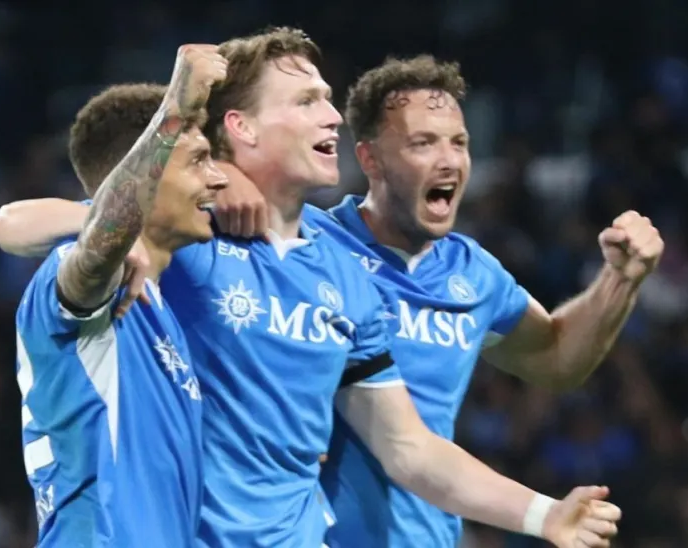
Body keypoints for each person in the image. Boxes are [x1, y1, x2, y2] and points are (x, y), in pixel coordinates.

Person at [0, 29, 622, 548]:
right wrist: (118, 227)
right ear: (239, 127)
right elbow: (15, 223)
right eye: (305, 101)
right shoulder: (189, 238)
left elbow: (408, 447)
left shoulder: (346, 273)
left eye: (327, 99)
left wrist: (544, 516)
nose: (331, 115)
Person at [220, 55, 664, 547]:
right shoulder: (312, 246)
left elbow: (557, 360)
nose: (449, 160)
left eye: (459, 143)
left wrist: (619, 282)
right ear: (369, 159)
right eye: (422, 143)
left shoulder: (473, 274)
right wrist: (226, 173)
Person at [11, 45, 228, 547]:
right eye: (197, 161)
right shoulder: (76, 278)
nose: (217, 179)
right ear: (140, 176)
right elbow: (97, 246)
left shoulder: (159, 310)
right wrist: (176, 107)